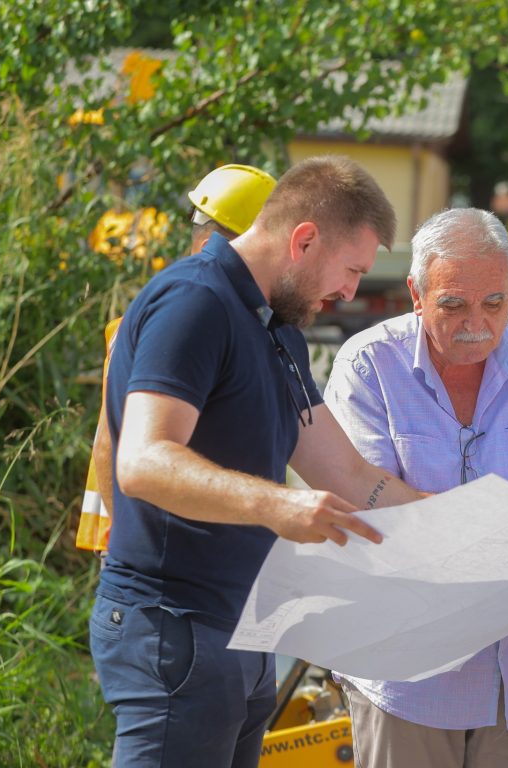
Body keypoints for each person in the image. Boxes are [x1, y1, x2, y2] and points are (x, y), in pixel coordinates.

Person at [89, 155, 425, 768]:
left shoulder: (277, 329)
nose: (351, 291)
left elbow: (349, 477)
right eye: (351, 270)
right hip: (174, 625)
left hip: (243, 630)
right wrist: (277, 503)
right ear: (303, 240)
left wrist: (461, 524)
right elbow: (144, 461)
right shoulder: (194, 302)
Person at [323, 207, 508, 768]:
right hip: (408, 676)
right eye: (452, 305)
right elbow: (374, 517)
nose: (477, 323)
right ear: (416, 293)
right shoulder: (368, 365)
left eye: (495, 303)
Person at [77, 163, 277, 553]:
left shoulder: (238, 320)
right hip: (136, 551)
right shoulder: (167, 320)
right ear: (210, 247)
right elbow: (110, 441)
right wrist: (126, 543)